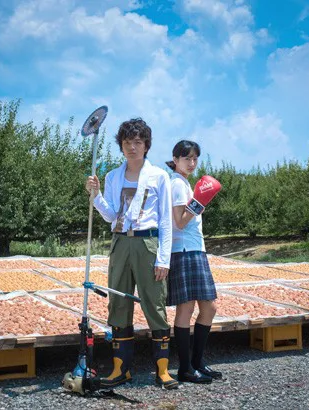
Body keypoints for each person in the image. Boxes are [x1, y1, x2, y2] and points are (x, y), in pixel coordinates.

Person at [85, 118, 178, 390]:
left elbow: (165, 222)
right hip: (120, 244)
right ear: (121, 146)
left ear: (146, 145)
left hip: (147, 244)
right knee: (119, 304)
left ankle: (162, 370)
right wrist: (97, 195)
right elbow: (112, 216)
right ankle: (120, 369)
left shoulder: (160, 176)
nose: (132, 147)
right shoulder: (114, 176)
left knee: (154, 303)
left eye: (138, 142)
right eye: (127, 142)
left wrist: (164, 259)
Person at [165, 140, 223, 383]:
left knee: (208, 307)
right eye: (186, 158)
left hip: (194, 249)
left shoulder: (184, 182)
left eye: (194, 158)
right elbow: (179, 221)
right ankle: (187, 368)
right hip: (185, 250)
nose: (191, 163)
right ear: (175, 159)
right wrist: (199, 203)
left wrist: (198, 203)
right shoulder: (177, 184)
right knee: (188, 308)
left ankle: (196, 363)